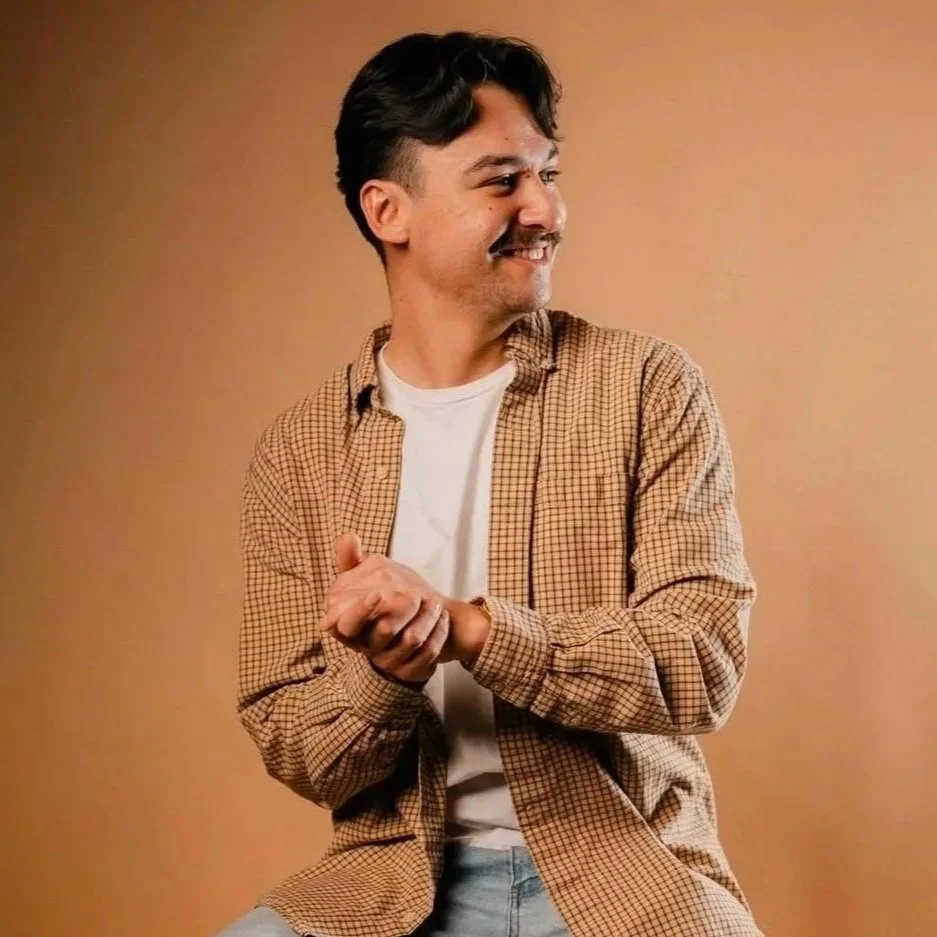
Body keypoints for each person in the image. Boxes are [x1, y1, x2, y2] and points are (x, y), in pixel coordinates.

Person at [217, 30, 762, 937]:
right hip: (388, 885)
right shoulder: (299, 455)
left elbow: (700, 663)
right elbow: (299, 744)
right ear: (388, 211)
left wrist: (469, 628)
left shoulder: (646, 386)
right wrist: (385, 678)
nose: (545, 209)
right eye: (502, 180)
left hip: (624, 875)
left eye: (548, 174)